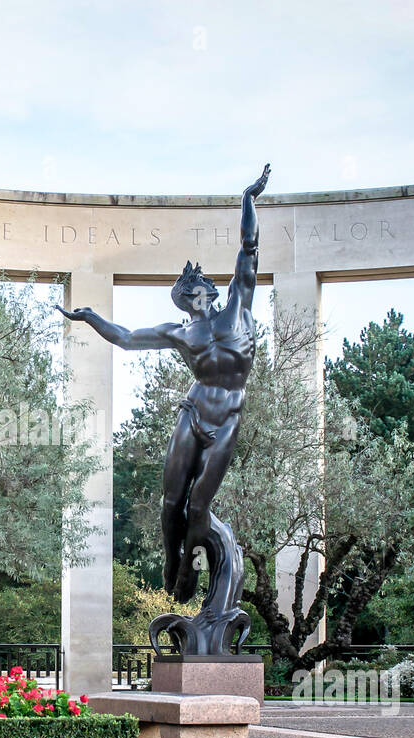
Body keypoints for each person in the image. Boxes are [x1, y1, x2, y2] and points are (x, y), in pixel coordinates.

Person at [55, 163, 269, 603]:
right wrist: (90, 317)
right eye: (184, 296)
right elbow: (130, 338)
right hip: (193, 414)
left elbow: (249, 249)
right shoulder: (181, 332)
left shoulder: (238, 310)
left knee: (198, 506)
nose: (190, 299)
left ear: (207, 291)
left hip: (226, 419)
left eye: (193, 291)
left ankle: (191, 564)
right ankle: (172, 561)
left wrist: (248, 198)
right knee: (170, 502)